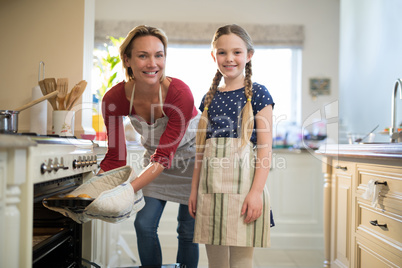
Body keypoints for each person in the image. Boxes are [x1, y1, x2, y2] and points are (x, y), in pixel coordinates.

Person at [99, 25, 199, 268]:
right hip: (156, 163)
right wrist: (97, 187)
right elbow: (115, 157)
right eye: (143, 55)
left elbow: (165, 156)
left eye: (159, 55)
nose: (152, 63)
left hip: (194, 163)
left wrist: (125, 191)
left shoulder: (179, 94)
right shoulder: (114, 100)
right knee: (143, 225)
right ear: (127, 60)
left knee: (188, 232)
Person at [188, 24, 275, 268]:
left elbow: (265, 150)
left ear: (249, 55)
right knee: (215, 262)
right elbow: (201, 151)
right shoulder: (208, 97)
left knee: (240, 262)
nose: (229, 58)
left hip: (245, 190)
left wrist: (256, 193)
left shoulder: (258, 94)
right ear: (213, 56)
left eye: (237, 52)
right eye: (222, 52)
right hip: (210, 190)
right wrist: (194, 191)